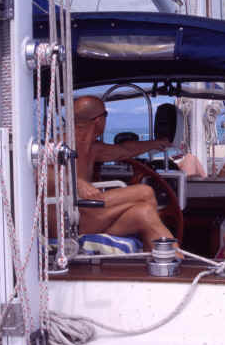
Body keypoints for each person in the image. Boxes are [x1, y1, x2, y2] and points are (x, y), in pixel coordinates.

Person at [73, 95, 175, 251]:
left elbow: (124, 151)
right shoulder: (61, 145)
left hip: (90, 215)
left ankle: (171, 264)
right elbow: (40, 173)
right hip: (75, 221)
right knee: (145, 192)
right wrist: (76, 182)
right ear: (99, 121)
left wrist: (156, 143)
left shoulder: (92, 147)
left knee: (145, 213)